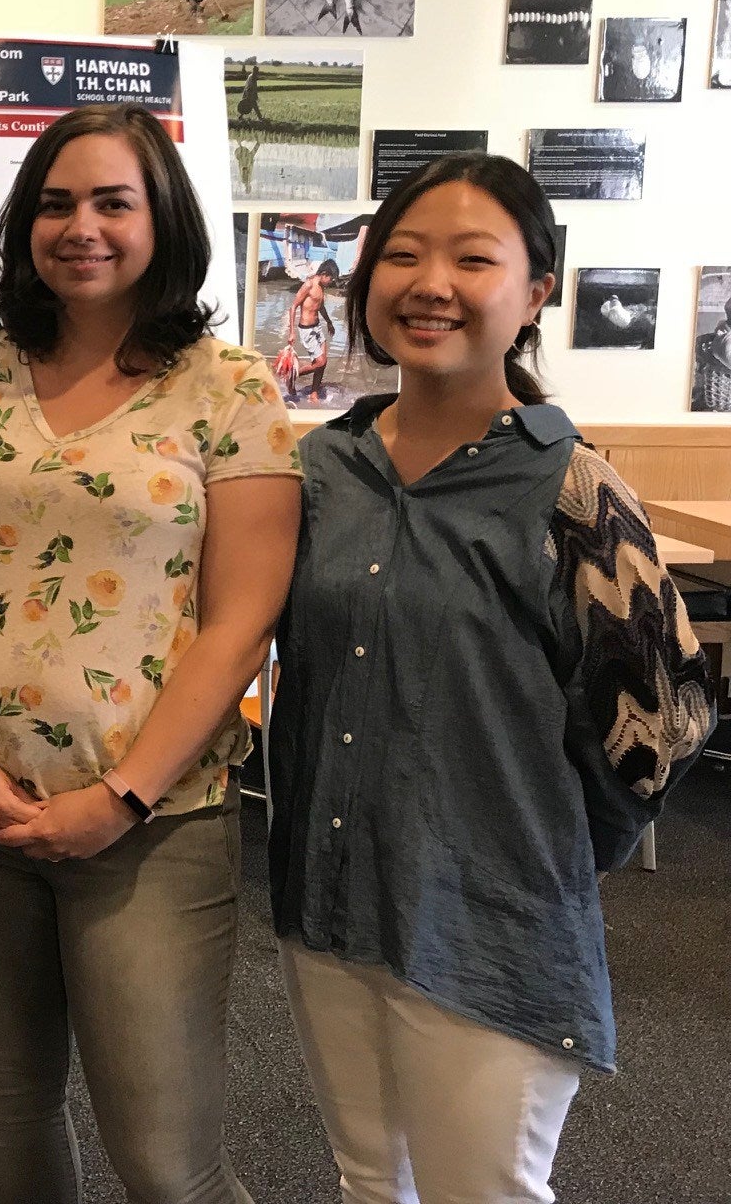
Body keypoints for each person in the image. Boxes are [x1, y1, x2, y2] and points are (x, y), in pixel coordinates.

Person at [269, 153, 715, 1204]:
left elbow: (664, 727)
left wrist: (539, 851)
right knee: (369, 1182)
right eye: (405, 255)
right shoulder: (323, 471)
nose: (431, 283)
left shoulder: (575, 489)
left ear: (536, 293)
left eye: (474, 259)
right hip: (329, 899)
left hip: (490, 917)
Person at [0, 104, 302, 1204]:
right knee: (9, 1095)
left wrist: (119, 796)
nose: (83, 226)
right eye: (58, 203)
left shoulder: (232, 388)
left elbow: (242, 618)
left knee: (167, 1161)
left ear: (162, 216)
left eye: (114, 201)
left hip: (151, 820)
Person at [282, 259, 339, 405]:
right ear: (324, 274)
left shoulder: (322, 287)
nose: (331, 282)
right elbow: (293, 306)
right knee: (320, 362)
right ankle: (292, 375)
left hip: (318, 327)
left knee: (323, 363)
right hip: (307, 329)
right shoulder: (309, 284)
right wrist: (291, 332)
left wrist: (329, 322)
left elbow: (320, 306)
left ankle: (313, 394)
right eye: (331, 278)